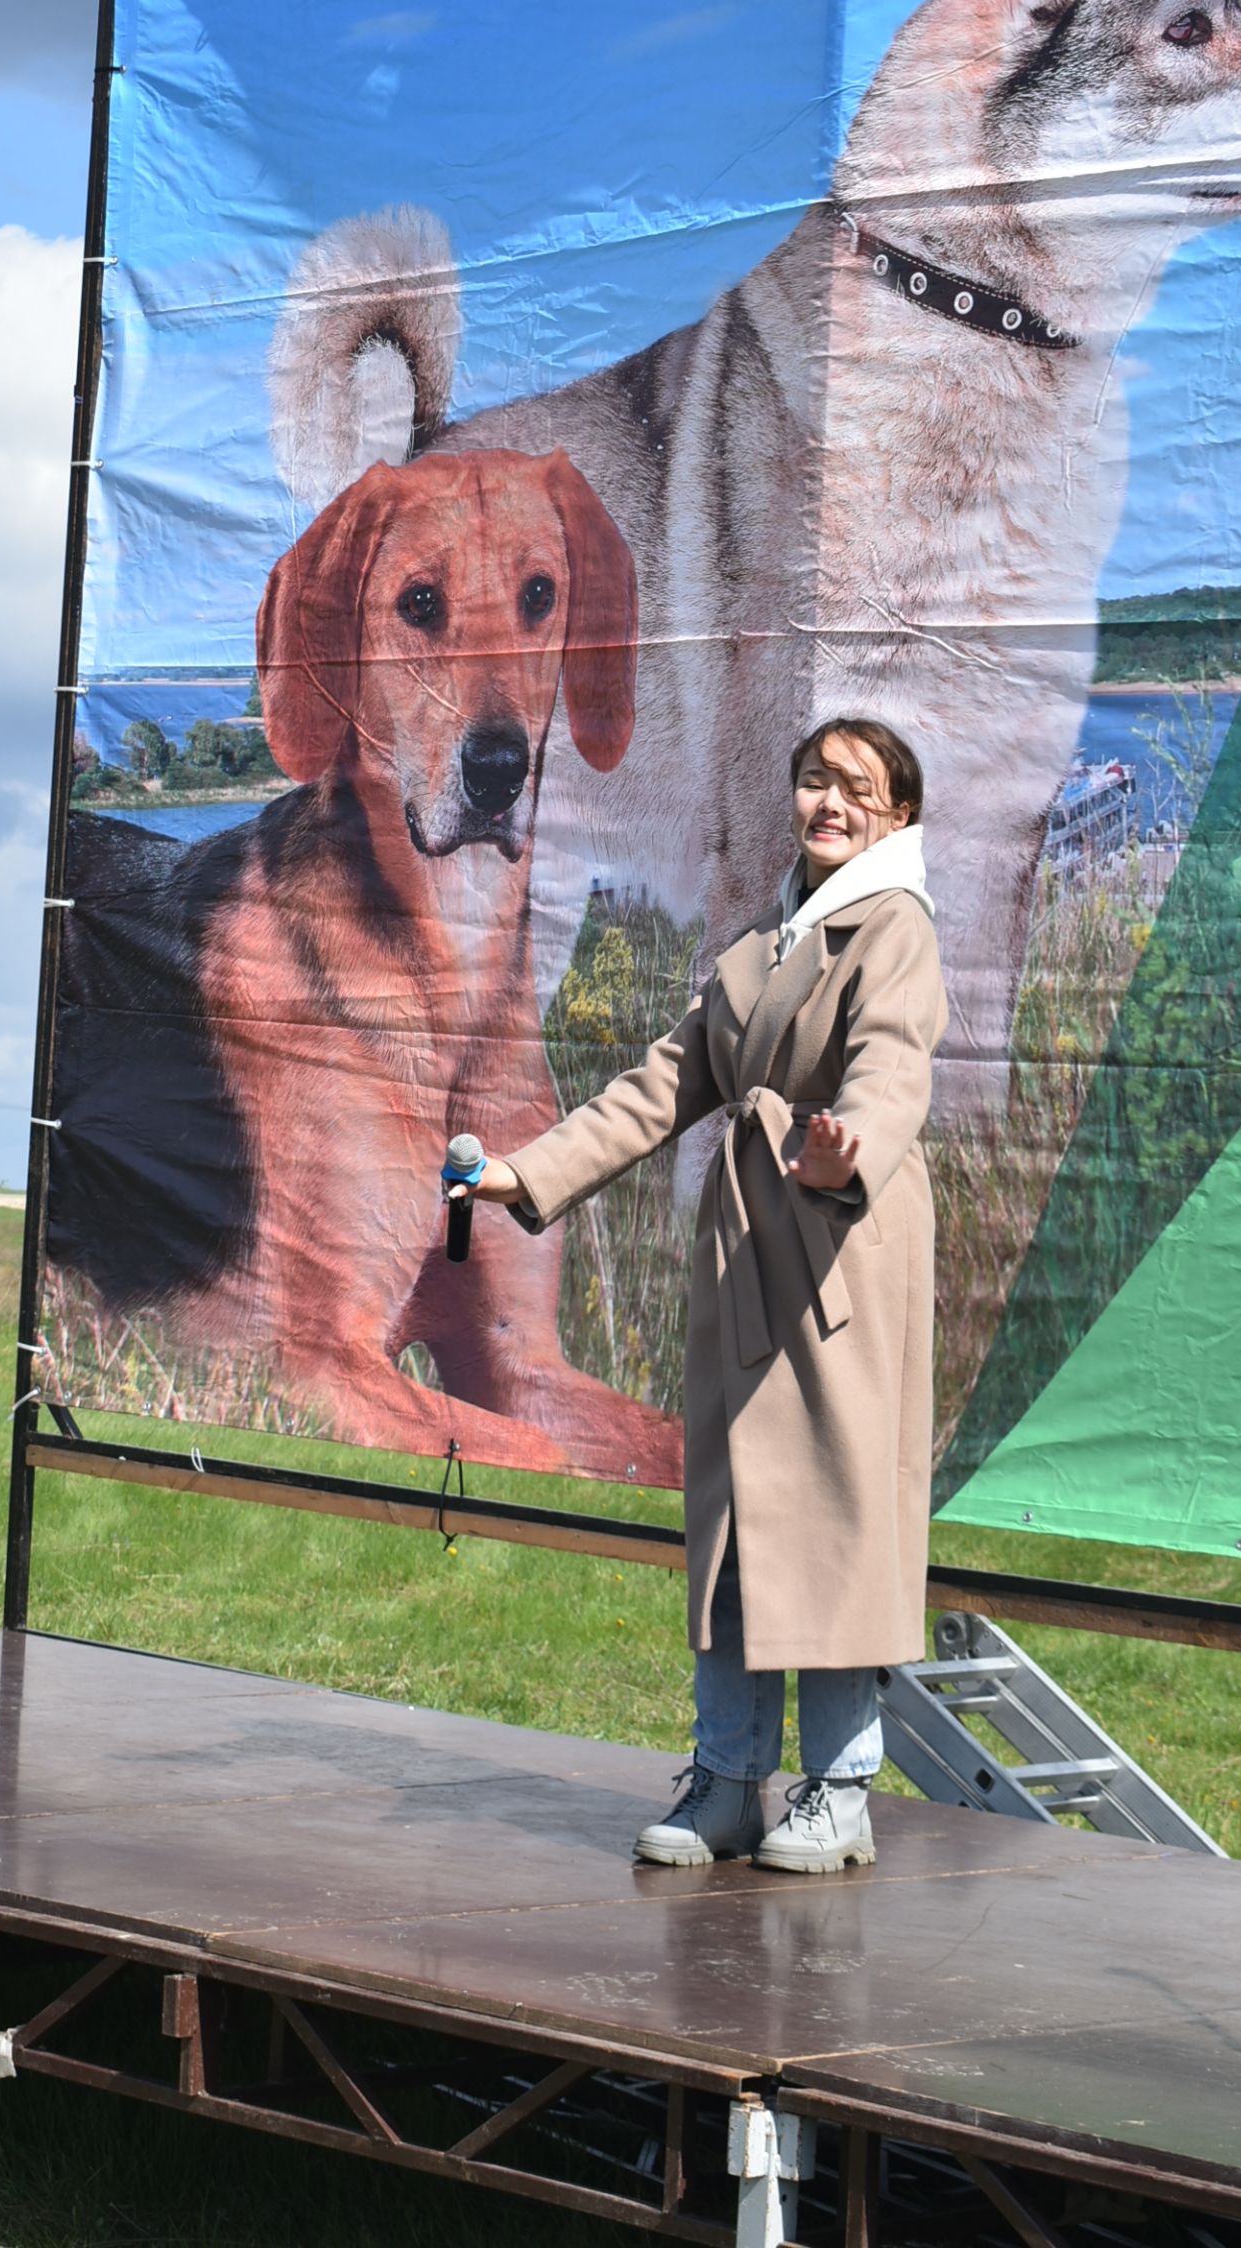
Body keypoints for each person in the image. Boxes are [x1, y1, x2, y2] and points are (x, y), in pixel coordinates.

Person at [463, 718, 947, 1876]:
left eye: (855, 786)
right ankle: (728, 1780)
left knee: (830, 1521)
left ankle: (837, 1792)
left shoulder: (896, 929)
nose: (827, 800)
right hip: (743, 1258)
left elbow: (894, 1064)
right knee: (731, 1526)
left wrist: (850, 1148)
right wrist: (525, 1173)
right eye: (813, 778)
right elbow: (659, 1086)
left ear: (898, 815)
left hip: (837, 1254)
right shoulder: (766, 942)